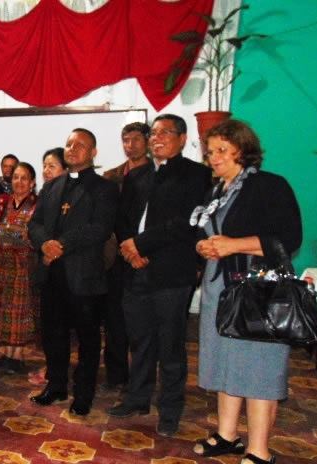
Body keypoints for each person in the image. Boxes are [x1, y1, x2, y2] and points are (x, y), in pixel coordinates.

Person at [191, 120, 302, 464]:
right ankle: (227, 435)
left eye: (223, 150)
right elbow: (211, 234)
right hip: (221, 288)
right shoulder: (216, 191)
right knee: (225, 361)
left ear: (244, 149)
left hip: (258, 290)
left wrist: (233, 245)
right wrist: (205, 247)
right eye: (210, 151)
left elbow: (289, 238)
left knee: (257, 368)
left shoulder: (268, 185)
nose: (214, 157)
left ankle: (259, 450)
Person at [107, 114, 212, 437]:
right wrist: (130, 249)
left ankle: (170, 409)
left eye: (166, 132)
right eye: (153, 132)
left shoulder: (196, 174)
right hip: (134, 269)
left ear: (182, 139)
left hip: (171, 273)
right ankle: (138, 398)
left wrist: (141, 244)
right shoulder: (138, 175)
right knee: (139, 341)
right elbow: (121, 218)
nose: (157, 138)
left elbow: (187, 222)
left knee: (170, 346)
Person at [28, 128, 117, 416]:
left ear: (93, 152)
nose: (73, 149)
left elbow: (100, 228)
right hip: (52, 274)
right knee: (53, 335)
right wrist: (45, 243)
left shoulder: (104, 188)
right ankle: (56, 386)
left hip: (84, 276)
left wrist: (62, 245)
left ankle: (83, 394)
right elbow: (35, 223)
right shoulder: (52, 186)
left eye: (80, 145)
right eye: (69, 144)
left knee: (88, 340)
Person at [98, 121, 152, 393]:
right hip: (115, 257)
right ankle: (116, 375)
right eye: (126, 140)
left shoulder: (157, 174)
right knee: (114, 320)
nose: (130, 145)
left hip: (146, 256)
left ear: (147, 141)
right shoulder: (112, 176)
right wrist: (123, 248)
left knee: (143, 323)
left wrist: (140, 248)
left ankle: (142, 379)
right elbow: (107, 218)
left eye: (136, 139)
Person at [0, 162, 38, 374]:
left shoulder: (37, 205)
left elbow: (36, 234)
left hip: (23, 264)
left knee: (19, 310)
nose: (19, 182)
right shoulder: (1, 202)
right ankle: (7, 354)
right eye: (16, 177)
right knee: (3, 309)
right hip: (0, 262)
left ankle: (18, 356)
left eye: (24, 178)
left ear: (32, 182)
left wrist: (17, 234)